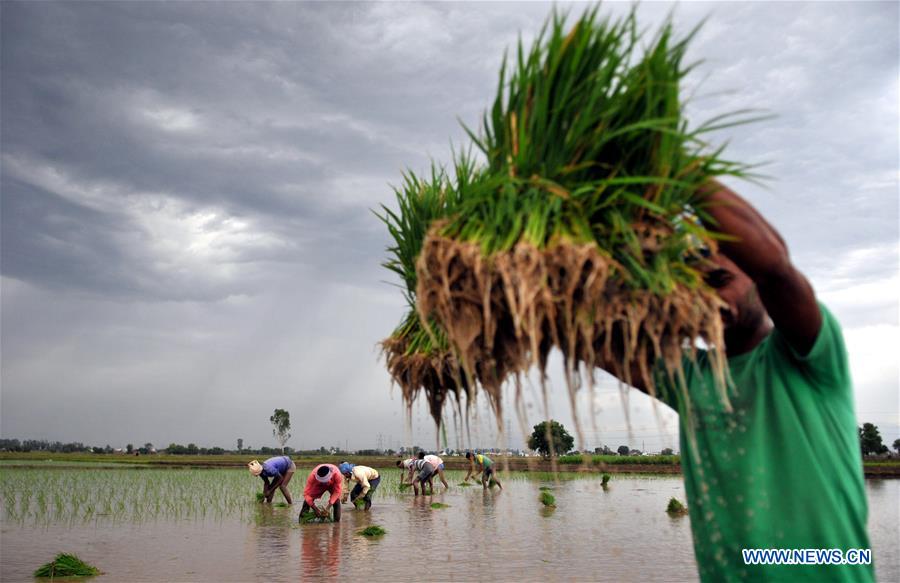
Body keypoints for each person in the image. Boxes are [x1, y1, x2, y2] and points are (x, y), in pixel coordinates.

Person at [602, 181, 873, 582]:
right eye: (692, 290)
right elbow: (592, 339)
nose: (708, 300)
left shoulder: (809, 352)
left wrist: (674, 170)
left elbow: (777, 269)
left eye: (718, 281)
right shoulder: (688, 377)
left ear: (756, 281)